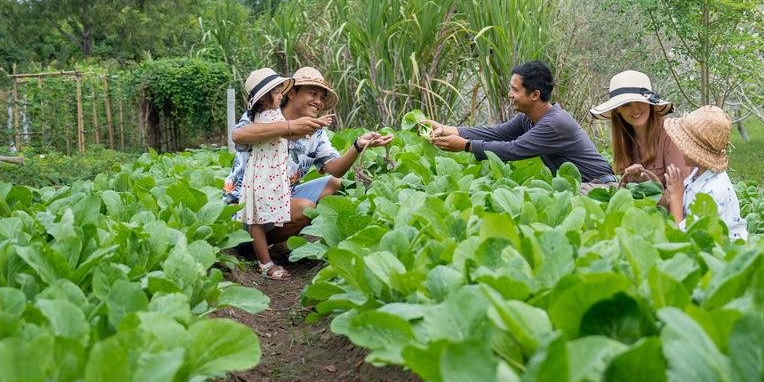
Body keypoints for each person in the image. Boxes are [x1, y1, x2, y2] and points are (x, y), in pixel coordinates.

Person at [224, 66, 393, 254]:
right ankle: (250, 246)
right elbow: (238, 135)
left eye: (322, 97)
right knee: (306, 208)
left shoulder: (316, 133)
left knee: (333, 183)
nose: (318, 102)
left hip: (280, 194)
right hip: (244, 205)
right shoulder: (265, 113)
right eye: (313, 93)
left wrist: (358, 145)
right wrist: (289, 127)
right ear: (292, 93)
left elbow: (335, 169)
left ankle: (274, 240)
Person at [425, 61, 615, 184]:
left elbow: (513, 150)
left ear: (534, 95)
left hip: (600, 186)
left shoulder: (553, 123)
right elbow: (496, 134)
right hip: (580, 185)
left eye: (515, 90)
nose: (510, 95)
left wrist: (466, 146)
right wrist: (444, 129)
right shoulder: (528, 118)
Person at [233, 68, 296, 280]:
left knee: (268, 212)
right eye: (277, 92)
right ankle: (264, 262)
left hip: (271, 172)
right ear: (263, 98)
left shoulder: (274, 115)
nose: (281, 95)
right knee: (257, 218)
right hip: (262, 173)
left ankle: (274, 251)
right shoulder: (264, 118)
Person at [589, 70, 688, 198]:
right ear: (618, 110)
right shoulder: (625, 140)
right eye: (626, 105)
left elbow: (682, 193)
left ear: (650, 103)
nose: (635, 110)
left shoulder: (671, 134)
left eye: (640, 101)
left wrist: (646, 183)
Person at [662, 105, 748, 240]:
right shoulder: (698, 173)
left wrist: (676, 196)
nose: (678, 145)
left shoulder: (713, 191)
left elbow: (682, 238)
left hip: (724, 255)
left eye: (684, 142)